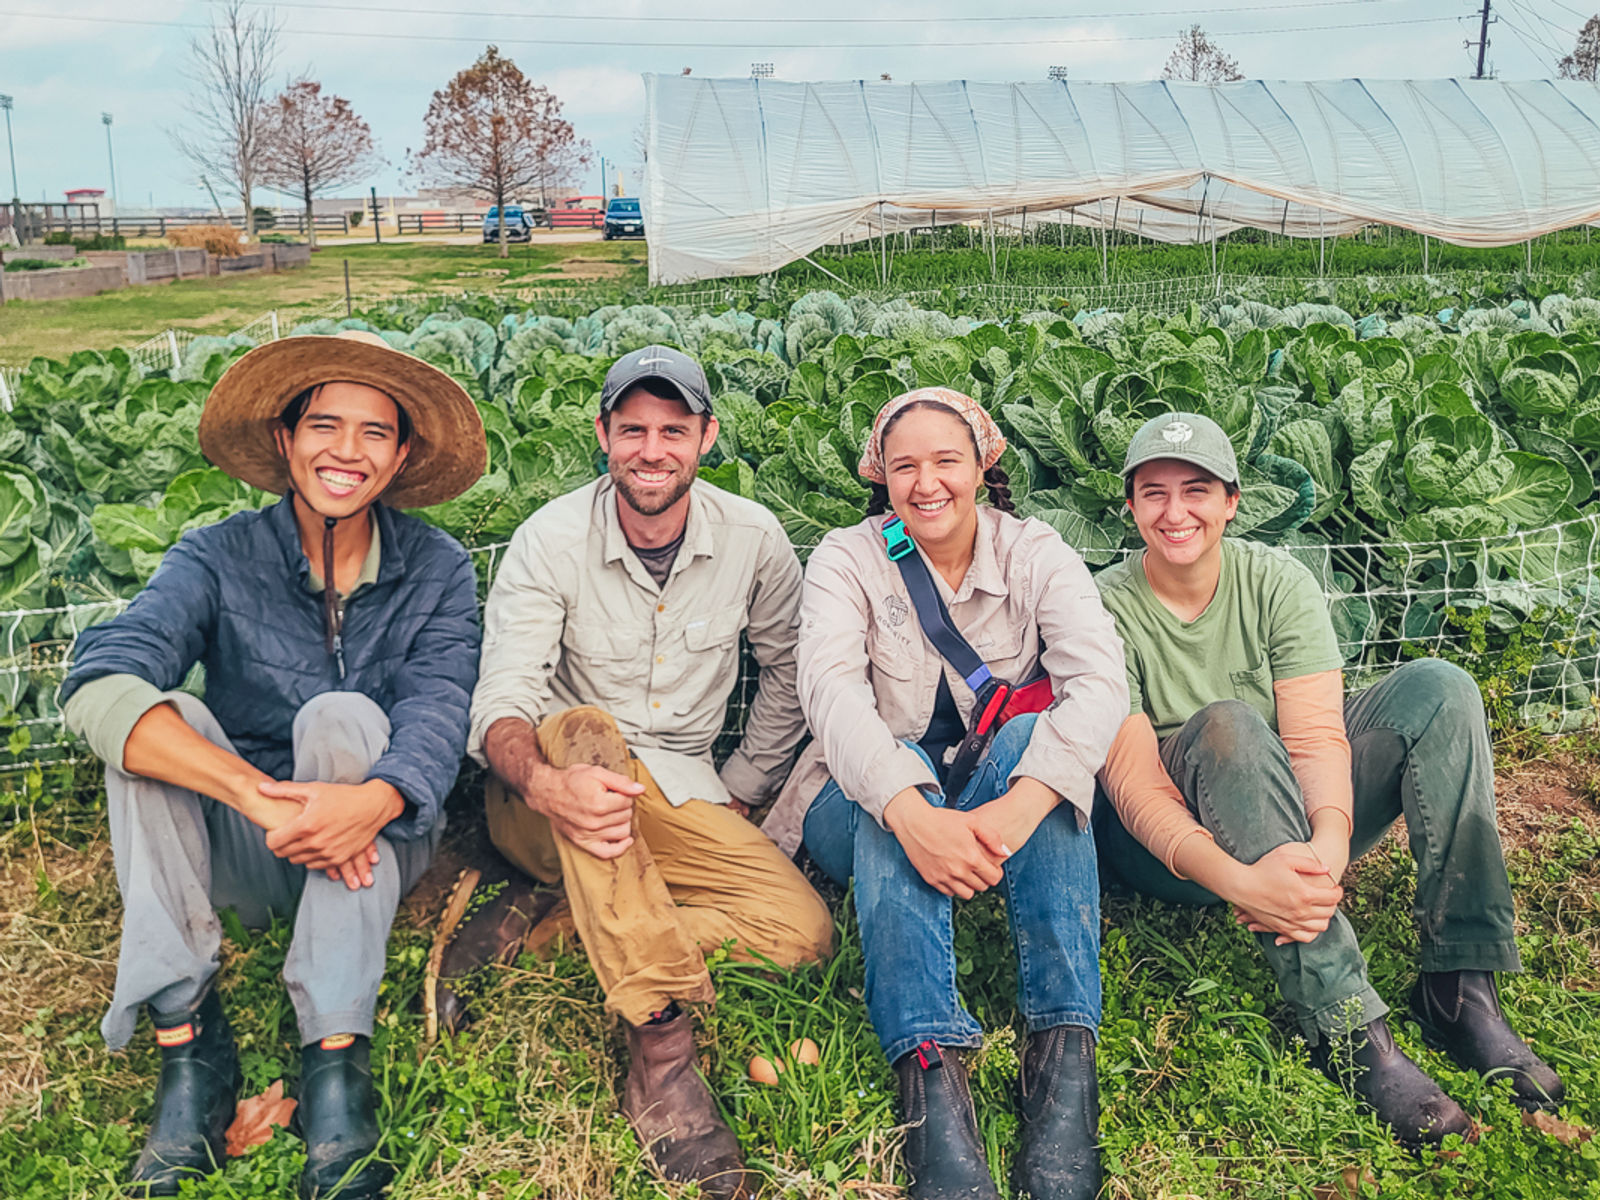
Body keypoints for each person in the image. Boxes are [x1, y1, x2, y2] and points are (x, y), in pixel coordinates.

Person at [58, 330, 486, 1198]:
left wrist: (370, 800)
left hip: (379, 847)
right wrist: (255, 797)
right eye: (324, 424)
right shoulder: (214, 556)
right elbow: (102, 678)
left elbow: (440, 710)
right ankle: (190, 1050)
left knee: (342, 716)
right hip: (250, 852)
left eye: (375, 432)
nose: (346, 452)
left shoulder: (438, 567)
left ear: (400, 455)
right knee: (158, 720)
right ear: (286, 440)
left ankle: (335, 1061)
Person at [1093, 410, 1565, 1148]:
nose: (1175, 512)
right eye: (1153, 493)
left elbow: (1315, 736)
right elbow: (1131, 784)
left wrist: (1329, 848)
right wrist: (1240, 881)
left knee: (1442, 687)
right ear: (1129, 506)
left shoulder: (1278, 581)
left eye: (1196, 490)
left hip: (1285, 816)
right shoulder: (1104, 606)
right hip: (1171, 852)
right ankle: (1348, 1026)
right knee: (1227, 722)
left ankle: (1461, 985)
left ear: (1231, 501)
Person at [449, 344, 833, 1200]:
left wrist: (740, 782)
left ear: (706, 437)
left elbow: (790, 670)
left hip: (682, 792)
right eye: (632, 430)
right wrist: (547, 784)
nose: (651, 450)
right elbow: (503, 704)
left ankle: (553, 927)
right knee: (583, 729)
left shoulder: (753, 539)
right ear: (603, 436)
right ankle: (661, 1055)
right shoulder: (549, 540)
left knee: (802, 933)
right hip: (548, 804)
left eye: (672, 430)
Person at [762, 388, 1127, 1200]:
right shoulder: (847, 559)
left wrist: (1025, 802)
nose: (927, 484)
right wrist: (908, 809)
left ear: (982, 466)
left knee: (1043, 742)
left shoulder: (1036, 551)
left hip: (999, 797)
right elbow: (830, 696)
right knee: (889, 758)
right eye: (906, 467)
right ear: (881, 479)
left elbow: (1101, 681)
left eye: (946, 462)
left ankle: (1063, 1053)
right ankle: (931, 1072)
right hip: (858, 809)